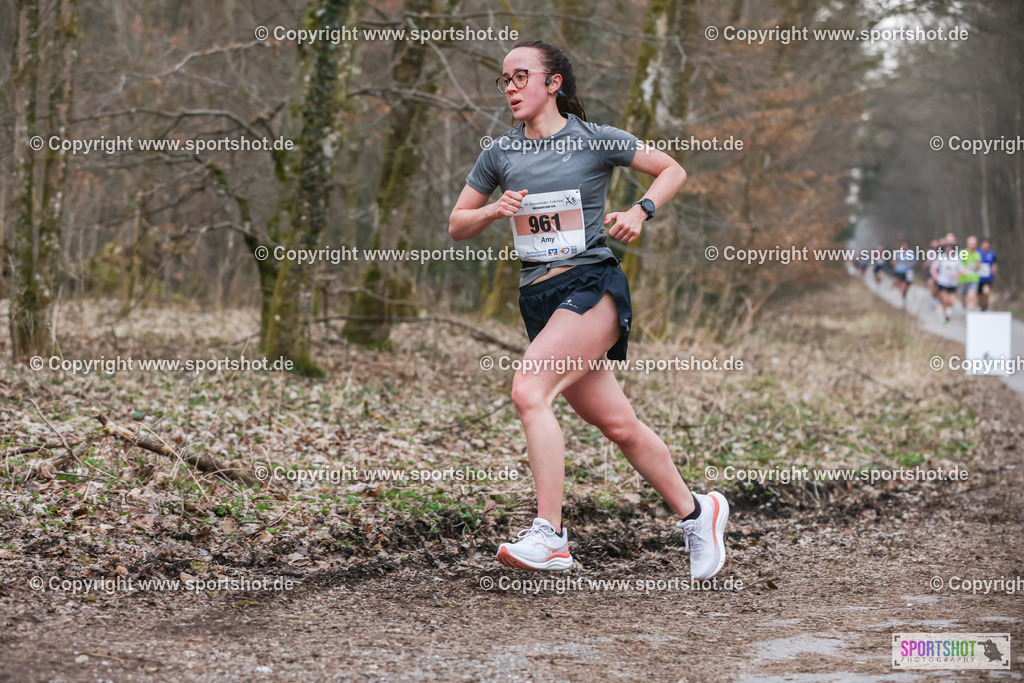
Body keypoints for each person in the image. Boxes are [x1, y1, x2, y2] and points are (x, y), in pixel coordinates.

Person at [448, 40, 728, 579]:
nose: (509, 87)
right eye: (504, 80)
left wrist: (641, 210)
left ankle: (550, 536)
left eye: (521, 76)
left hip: (592, 286)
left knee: (529, 391)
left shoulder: (593, 139)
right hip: (540, 299)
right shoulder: (500, 153)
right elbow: (457, 224)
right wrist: (491, 211)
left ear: (552, 83)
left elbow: (671, 170)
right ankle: (699, 512)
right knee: (620, 426)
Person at [931, 243, 963, 324]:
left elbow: (962, 271)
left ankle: (947, 311)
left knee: (952, 301)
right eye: (947, 249)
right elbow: (933, 267)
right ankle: (945, 316)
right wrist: (935, 275)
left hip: (952, 284)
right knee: (945, 299)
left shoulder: (957, 259)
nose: (948, 251)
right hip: (942, 282)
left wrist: (957, 275)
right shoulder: (941, 257)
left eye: (950, 249)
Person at [958, 236, 981, 312]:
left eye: (974, 244)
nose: (973, 245)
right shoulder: (963, 253)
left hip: (973, 279)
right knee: (962, 298)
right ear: (968, 244)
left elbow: (978, 266)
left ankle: (970, 315)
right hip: (963, 279)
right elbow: (958, 263)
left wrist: (978, 266)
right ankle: (964, 304)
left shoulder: (977, 254)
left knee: (972, 296)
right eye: (971, 243)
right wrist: (962, 270)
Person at [891, 240, 915, 304]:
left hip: (908, 271)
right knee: (900, 283)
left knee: (907, 285)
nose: (904, 246)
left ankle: (903, 294)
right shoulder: (898, 252)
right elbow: (893, 260)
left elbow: (914, 262)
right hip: (899, 271)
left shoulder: (910, 253)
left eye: (905, 245)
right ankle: (899, 295)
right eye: (902, 245)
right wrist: (894, 264)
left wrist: (909, 265)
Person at [978, 238, 998, 312]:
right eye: (984, 245)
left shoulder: (992, 254)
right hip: (979, 278)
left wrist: (993, 269)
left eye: (987, 246)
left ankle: (985, 305)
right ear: (981, 245)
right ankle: (981, 307)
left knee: (986, 291)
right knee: (980, 295)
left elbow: (995, 263)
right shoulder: (977, 253)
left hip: (988, 277)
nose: (986, 247)